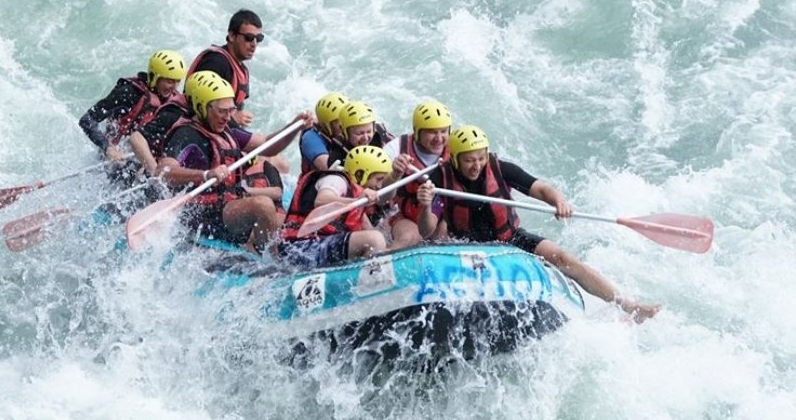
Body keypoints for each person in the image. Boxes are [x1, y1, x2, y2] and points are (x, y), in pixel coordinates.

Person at [415, 125, 662, 323]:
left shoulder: (499, 168)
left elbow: (541, 188)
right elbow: (426, 229)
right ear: (456, 158)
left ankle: (627, 304)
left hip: (508, 239)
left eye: (480, 158)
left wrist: (559, 200)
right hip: (464, 246)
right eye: (469, 160)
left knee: (562, 257)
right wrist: (426, 205)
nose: (476, 165)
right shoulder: (440, 178)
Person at [158, 71, 314, 252]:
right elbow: (164, 171)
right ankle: (273, 259)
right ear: (202, 107)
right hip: (201, 214)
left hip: (228, 204)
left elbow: (267, 146)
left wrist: (294, 126)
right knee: (262, 205)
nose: (228, 116)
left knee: (284, 222)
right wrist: (206, 174)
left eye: (231, 110)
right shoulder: (186, 134)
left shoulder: (225, 129)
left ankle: (276, 249)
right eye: (222, 111)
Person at [279, 146, 393, 268]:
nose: (381, 185)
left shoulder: (356, 198)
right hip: (298, 248)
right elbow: (321, 200)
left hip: (318, 245)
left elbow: (371, 231)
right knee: (373, 240)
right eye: (379, 179)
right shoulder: (336, 180)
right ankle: (370, 282)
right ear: (360, 174)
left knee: (378, 238)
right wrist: (356, 201)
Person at [79, 50, 186, 166]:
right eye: (169, 81)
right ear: (154, 77)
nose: (174, 87)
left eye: (177, 82)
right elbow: (87, 119)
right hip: (116, 159)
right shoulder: (128, 93)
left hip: (147, 160)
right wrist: (108, 148)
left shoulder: (173, 102)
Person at [382, 100, 452, 249]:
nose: (439, 138)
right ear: (417, 132)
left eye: (443, 131)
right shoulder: (395, 149)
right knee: (410, 237)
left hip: (439, 213)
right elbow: (381, 199)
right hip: (403, 214)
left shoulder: (456, 149)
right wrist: (394, 175)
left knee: (444, 236)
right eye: (432, 132)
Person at [186, 9, 263, 129]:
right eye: (249, 37)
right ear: (232, 36)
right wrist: (233, 118)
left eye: (258, 38)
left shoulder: (241, 69)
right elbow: (200, 110)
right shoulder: (216, 63)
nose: (254, 44)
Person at [130, 71, 209, 176]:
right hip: (164, 169)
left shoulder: (215, 115)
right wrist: (154, 171)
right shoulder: (172, 115)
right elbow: (136, 138)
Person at [298, 92, 349, 174]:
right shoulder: (310, 138)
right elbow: (327, 167)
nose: (346, 126)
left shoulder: (356, 132)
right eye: (339, 123)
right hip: (321, 183)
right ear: (326, 125)